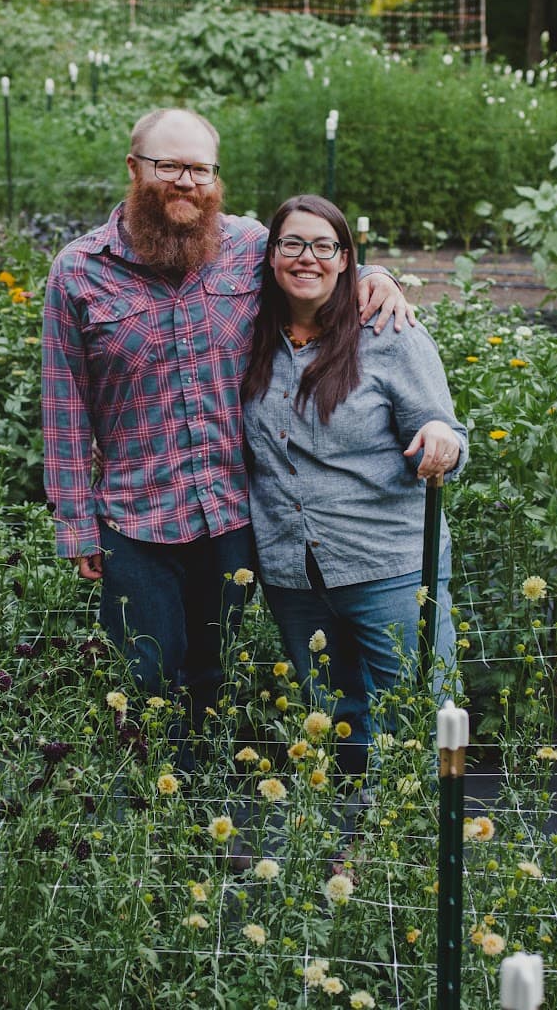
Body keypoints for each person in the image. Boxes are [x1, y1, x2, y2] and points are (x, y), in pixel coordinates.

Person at [41, 109, 413, 759]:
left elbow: (315, 267)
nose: (186, 182)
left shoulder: (246, 247)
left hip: (231, 513)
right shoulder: (78, 272)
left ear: (217, 178)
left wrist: (372, 277)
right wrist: (75, 521)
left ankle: (203, 796)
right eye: (170, 166)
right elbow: (64, 402)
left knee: (214, 671)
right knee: (148, 674)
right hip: (134, 518)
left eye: (201, 169)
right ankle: (155, 803)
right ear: (134, 169)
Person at [241, 194, 466, 782]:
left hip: (387, 562)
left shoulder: (389, 333)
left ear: (346, 259)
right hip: (294, 570)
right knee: (335, 716)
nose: (306, 257)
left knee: (423, 707)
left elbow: (443, 429)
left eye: (324, 246)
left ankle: (428, 839)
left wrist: (441, 438)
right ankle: (354, 840)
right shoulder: (250, 336)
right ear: (269, 256)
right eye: (292, 243)